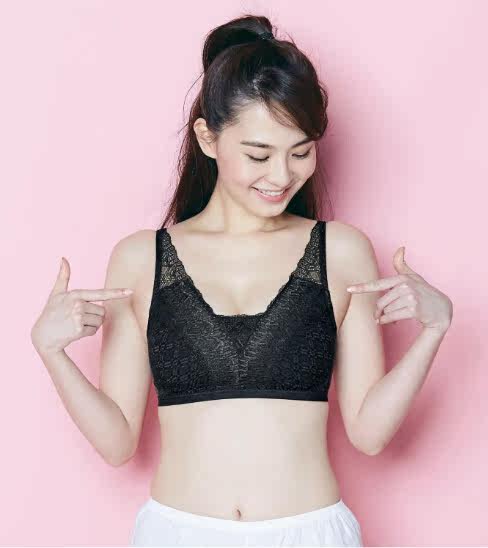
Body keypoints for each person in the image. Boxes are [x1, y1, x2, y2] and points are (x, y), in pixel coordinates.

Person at [30, 13, 453, 548]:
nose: (281, 175)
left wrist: (434, 330)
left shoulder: (342, 252)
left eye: (301, 152)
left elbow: (369, 433)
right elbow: (117, 443)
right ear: (207, 138)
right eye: (259, 154)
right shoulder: (141, 259)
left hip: (309, 532)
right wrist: (51, 352)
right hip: (177, 533)